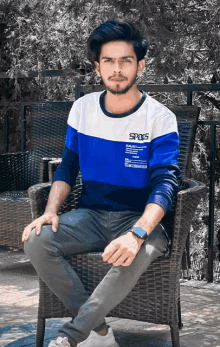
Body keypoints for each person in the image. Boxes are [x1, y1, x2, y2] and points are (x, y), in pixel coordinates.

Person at [22, 18, 180, 347]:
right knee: (37, 240)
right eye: (109, 61)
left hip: (141, 221)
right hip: (91, 216)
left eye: (126, 60)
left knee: (135, 250)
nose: (117, 69)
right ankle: (101, 334)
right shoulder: (82, 110)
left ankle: (72, 336)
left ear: (141, 66)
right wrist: (51, 210)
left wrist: (137, 234)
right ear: (98, 68)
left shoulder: (160, 117)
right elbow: (67, 167)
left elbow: (166, 184)